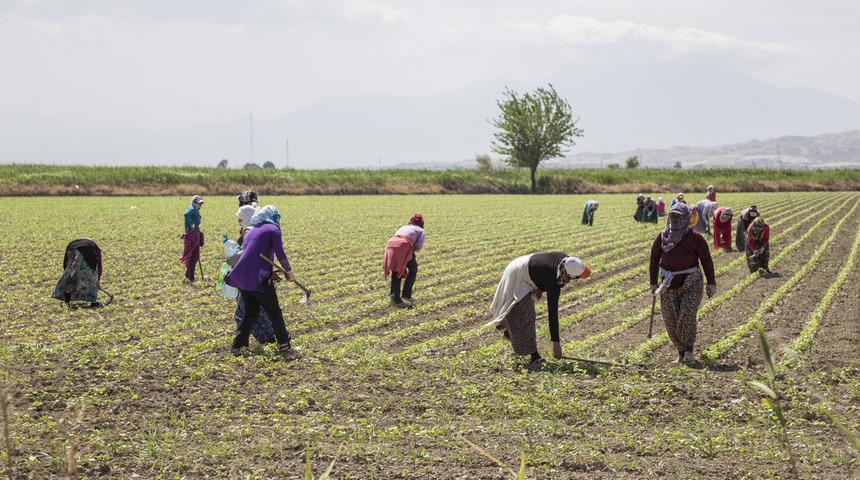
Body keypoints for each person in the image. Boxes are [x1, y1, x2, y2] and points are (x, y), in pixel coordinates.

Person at [488, 253, 592, 371]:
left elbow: (544, 269)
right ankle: (534, 357)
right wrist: (556, 342)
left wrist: (540, 287)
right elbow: (552, 313)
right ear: (569, 275)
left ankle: (512, 333)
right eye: (576, 278)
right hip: (517, 273)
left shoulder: (565, 261)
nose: (576, 280)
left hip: (524, 265)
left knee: (522, 312)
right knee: (527, 314)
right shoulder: (553, 282)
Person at [224, 205, 301, 360]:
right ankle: (285, 347)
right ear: (273, 217)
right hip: (257, 280)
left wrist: (272, 272)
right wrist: (289, 272)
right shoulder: (273, 230)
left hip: (241, 276)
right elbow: (280, 253)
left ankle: (238, 347)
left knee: (251, 313)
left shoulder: (251, 230)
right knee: (274, 311)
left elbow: (250, 256)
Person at [650, 203, 717, 364]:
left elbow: (706, 260)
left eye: (680, 217)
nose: (676, 220)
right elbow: (654, 259)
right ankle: (680, 352)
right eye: (673, 216)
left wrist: (711, 282)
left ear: (687, 218)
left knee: (687, 313)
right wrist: (653, 282)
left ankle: (688, 350)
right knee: (671, 318)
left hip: (691, 281)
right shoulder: (662, 237)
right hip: (668, 283)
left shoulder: (696, 238)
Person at [231, 203, 275, 345]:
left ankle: (247, 342)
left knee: (249, 313)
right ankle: (263, 340)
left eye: (240, 219)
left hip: (252, 280)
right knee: (252, 312)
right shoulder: (250, 232)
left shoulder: (250, 234)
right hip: (250, 279)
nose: (239, 222)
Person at [383, 214, 425, 308]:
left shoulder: (404, 227)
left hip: (391, 243)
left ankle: (394, 296)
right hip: (404, 245)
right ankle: (402, 297)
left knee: (396, 269)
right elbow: (418, 246)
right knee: (413, 269)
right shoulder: (421, 230)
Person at [51, 239, 103, 308]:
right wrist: (97, 280)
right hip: (88, 253)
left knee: (70, 276)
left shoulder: (74, 243)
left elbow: (66, 262)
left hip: (72, 250)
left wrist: (66, 271)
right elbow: (99, 266)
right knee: (91, 277)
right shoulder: (96, 248)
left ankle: (67, 301)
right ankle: (93, 302)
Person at [181, 195, 204, 283]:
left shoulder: (196, 211)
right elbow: (186, 215)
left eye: (201, 204)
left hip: (196, 234)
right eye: (198, 204)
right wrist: (191, 226)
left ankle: (188, 276)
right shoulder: (191, 209)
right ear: (194, 203)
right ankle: (191, 278)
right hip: (192, 235)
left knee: (195, 257)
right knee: (192, 257)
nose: (200, 205)